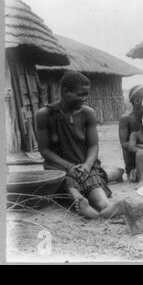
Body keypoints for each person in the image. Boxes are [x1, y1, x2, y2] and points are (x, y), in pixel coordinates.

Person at [36, 72, 112, 219]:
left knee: (95, 186)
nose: (84, 99)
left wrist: (87, 165)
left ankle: (104, 207)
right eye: (80, 95)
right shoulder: (44, 115)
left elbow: (93, 146)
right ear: (65, 91)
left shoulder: (88, 113)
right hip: (59, 167)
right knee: (66, 182)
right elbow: (44, 150)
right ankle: (81, 202)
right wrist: (69, 167)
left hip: (85, 166)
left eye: (86, 94)